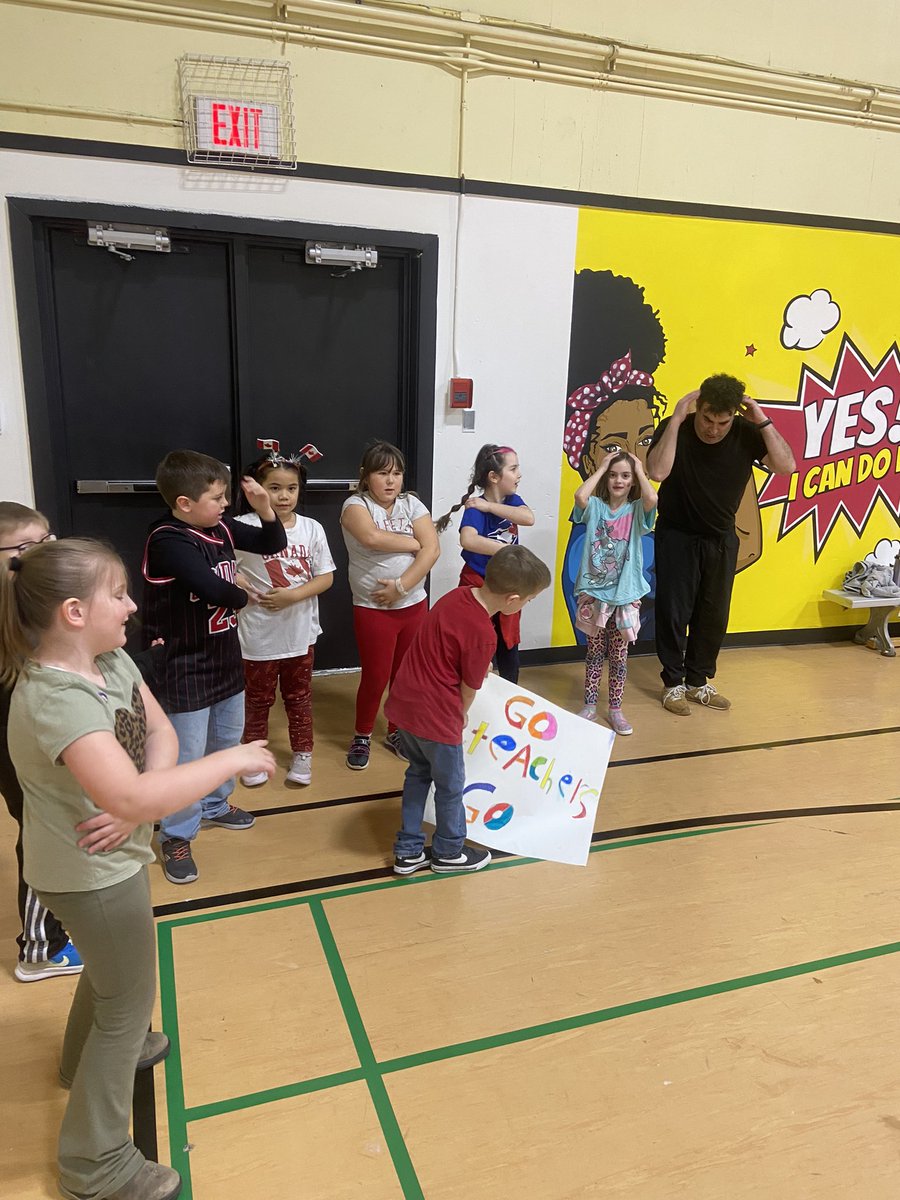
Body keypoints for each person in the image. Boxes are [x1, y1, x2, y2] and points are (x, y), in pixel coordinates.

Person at [0, 537, 275, 1200]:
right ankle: (95, 1164)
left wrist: (135, 802)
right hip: (85, 874)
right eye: (117, 594)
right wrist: (231, 760)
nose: (131, 605)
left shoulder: (110, 658)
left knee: (113, 976)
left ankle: (74, 1061)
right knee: (127, 1001)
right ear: (72, 611)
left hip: (110, 855)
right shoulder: (54, 699)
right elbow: (127, 792)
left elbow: (161, 735)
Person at [142, 450, 287, 883]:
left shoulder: (218, 526)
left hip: (224, 657)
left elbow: (271, 543)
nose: (226, 505)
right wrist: (245, 593)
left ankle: (215, 803)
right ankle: (176, 832)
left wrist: (265, 509)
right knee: (185, 754)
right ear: (184, 503)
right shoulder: (168, 538)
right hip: (183, 663)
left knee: (227, 740)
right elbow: (213, 588)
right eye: (217, 497)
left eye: (227, 496)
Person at [386, 544, 551, 875]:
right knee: (450, 787)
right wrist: (461, 713)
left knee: (417, 774)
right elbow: (470, 687)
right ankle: (448, 851)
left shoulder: (455, 596)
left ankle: (408, 850)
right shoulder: (483, 633)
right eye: (530, 601)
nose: (527, 605)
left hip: (404, 709)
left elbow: (448, 646)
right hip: (436, 719)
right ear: (513, 601)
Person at [646, 374, 796, 715]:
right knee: (673, 612)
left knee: (713, 615)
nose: (713, 429)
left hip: (720, 538)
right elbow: (656, 472)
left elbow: (787, 466)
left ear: (734, 417)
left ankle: (698, 682)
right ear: (699, 409)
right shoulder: (677, 426)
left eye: (722, 422)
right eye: (707, 419)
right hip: (677, 534)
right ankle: (673, 684)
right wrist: (680, 414)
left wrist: (761, 419)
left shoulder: (746, 432)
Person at [0, 502, 83, 981]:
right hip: (18, 752)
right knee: (40, 835)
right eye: (29, 547)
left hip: (32, 743)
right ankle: (40, 949)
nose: (47, 552)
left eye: (48, 539)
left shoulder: (27, 605)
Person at [234, 450, 334, 788]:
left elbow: (326, 577)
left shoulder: (312, 528)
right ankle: (252, 756)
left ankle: (303, 753)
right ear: (256, 490)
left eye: (291, 488)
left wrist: (293, 595)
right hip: (257, 634)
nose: (283, 496)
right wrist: (239, 582)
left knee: (299, 696)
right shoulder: (243, 527)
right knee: (258, 699)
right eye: (274, 488)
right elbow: (222, 567)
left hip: (299, 633)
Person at [340, 440, 439, 771]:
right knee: (376, 675)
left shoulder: (412, 504)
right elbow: (371, 538)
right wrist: (416, 542)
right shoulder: (355, 505)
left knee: (405, 675)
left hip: (412, 605)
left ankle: (397, 730)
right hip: (372, 607)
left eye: (397, 473)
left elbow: (433, 551)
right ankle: (362, 734)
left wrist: (401, 586)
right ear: (366, 476)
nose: (391, 481)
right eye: (382, 473)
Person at [572, 451, 657, 735]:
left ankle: (616, 709)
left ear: (633, 481)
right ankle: (590, 704)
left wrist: (640, 470)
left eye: (625, 476)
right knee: (594, 652)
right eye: (613, 475)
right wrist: (604, 465)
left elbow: (652, 499)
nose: (618, 480)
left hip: (624, 595)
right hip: (595, 593)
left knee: (619, 656)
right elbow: (580, 497)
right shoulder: (595, 506)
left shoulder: (635, 511)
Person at [435, 443, 534, 682]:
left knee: (508, 644)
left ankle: (510, 694)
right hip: (478, 583)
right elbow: (468, 540)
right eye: (513, 468)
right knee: (476, 643)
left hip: (508, 585)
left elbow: (528, 517)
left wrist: (490, 506)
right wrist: (508, 551)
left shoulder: (510, 501)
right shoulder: (474, 508)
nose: (519, 474)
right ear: (493, 476)